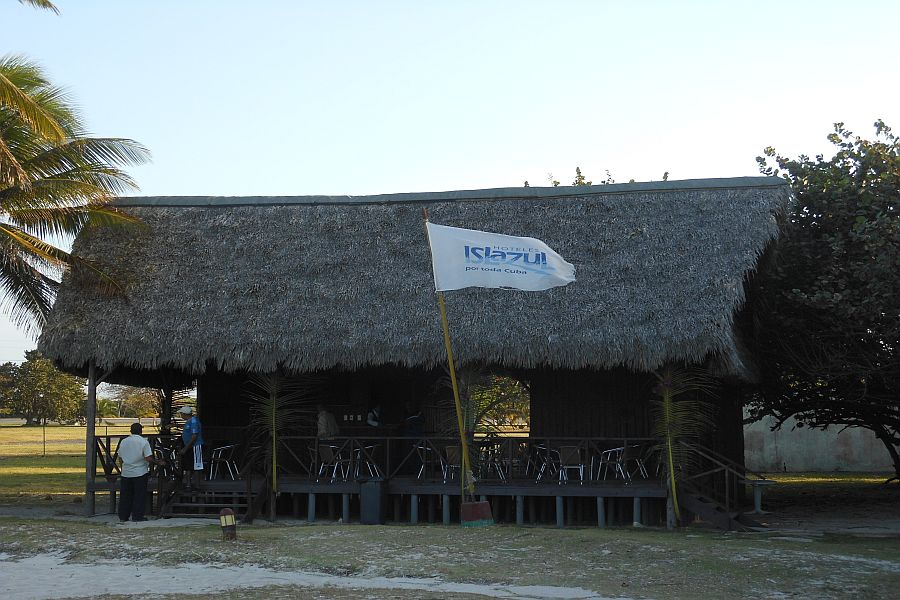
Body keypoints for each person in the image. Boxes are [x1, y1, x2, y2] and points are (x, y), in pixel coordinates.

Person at [117, 422, 156, 522]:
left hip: (126, 472)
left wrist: (123, 467)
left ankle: (123, 516)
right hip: (140, 472)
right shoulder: (143, 442)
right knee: (139, 495)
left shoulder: (124, 441)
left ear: (130, 431)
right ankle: (137, 516)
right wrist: (157, 462)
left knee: (125, 496)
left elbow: (120, 457)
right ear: (141, 431)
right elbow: (148, 458)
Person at [177, 406, 204, 491]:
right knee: (188, 465)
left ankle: (197, 486)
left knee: (197, 466)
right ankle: (188, 485)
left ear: (185, 414)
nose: (181, 415)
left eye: (181, 414)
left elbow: (194, 436)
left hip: (195, 446)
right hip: (188, 446)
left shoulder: (194, 421)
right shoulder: (189, 421)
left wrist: (185, 448)